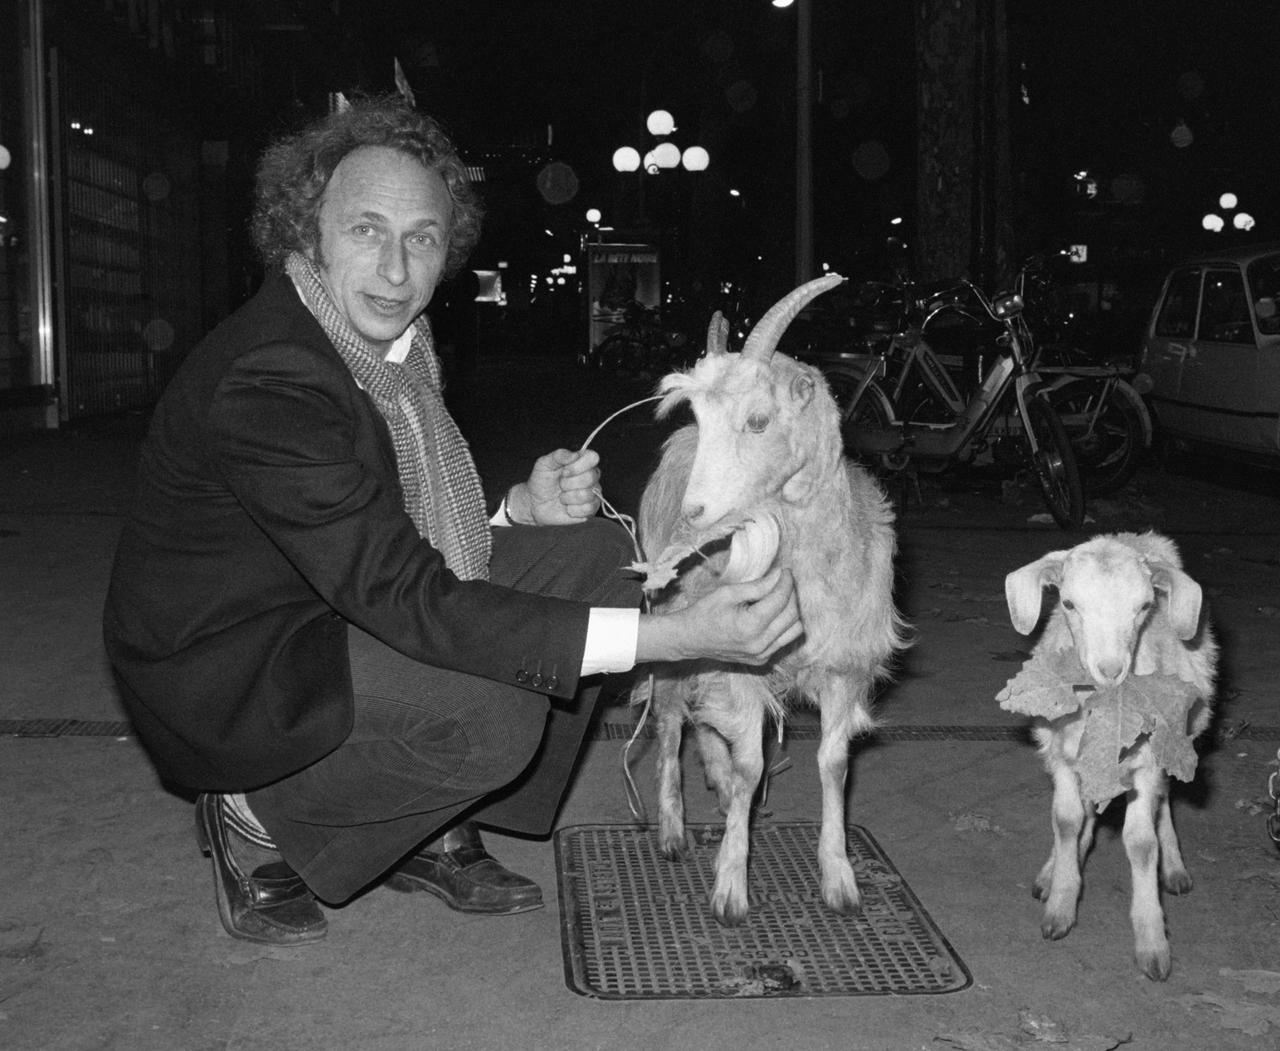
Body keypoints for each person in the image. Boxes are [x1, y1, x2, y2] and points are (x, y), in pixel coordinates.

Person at [102, 95, 802, 946]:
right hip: (234, 665)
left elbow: (391, 529)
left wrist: (517, 511)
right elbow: (405, 592)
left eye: (422, 238)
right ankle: (254, 812)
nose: (396, 270)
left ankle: (427, 818)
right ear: (307, 232)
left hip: (322, 601)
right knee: (494, 715)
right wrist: (674, 634)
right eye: (367, 230)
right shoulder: (276, 375)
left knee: (593, 553)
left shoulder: (392, 356)